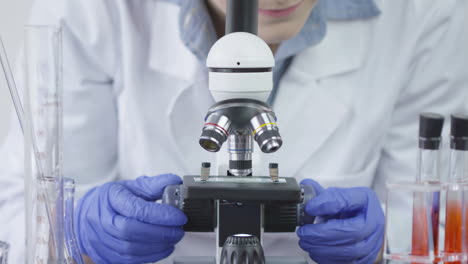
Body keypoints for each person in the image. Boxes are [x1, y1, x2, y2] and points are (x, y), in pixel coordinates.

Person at [0, 0, 467, 263]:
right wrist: (77, 230)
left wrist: (389, 245)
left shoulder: (426, 14)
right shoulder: (91, 10)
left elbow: (438, 222)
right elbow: (23, 213)